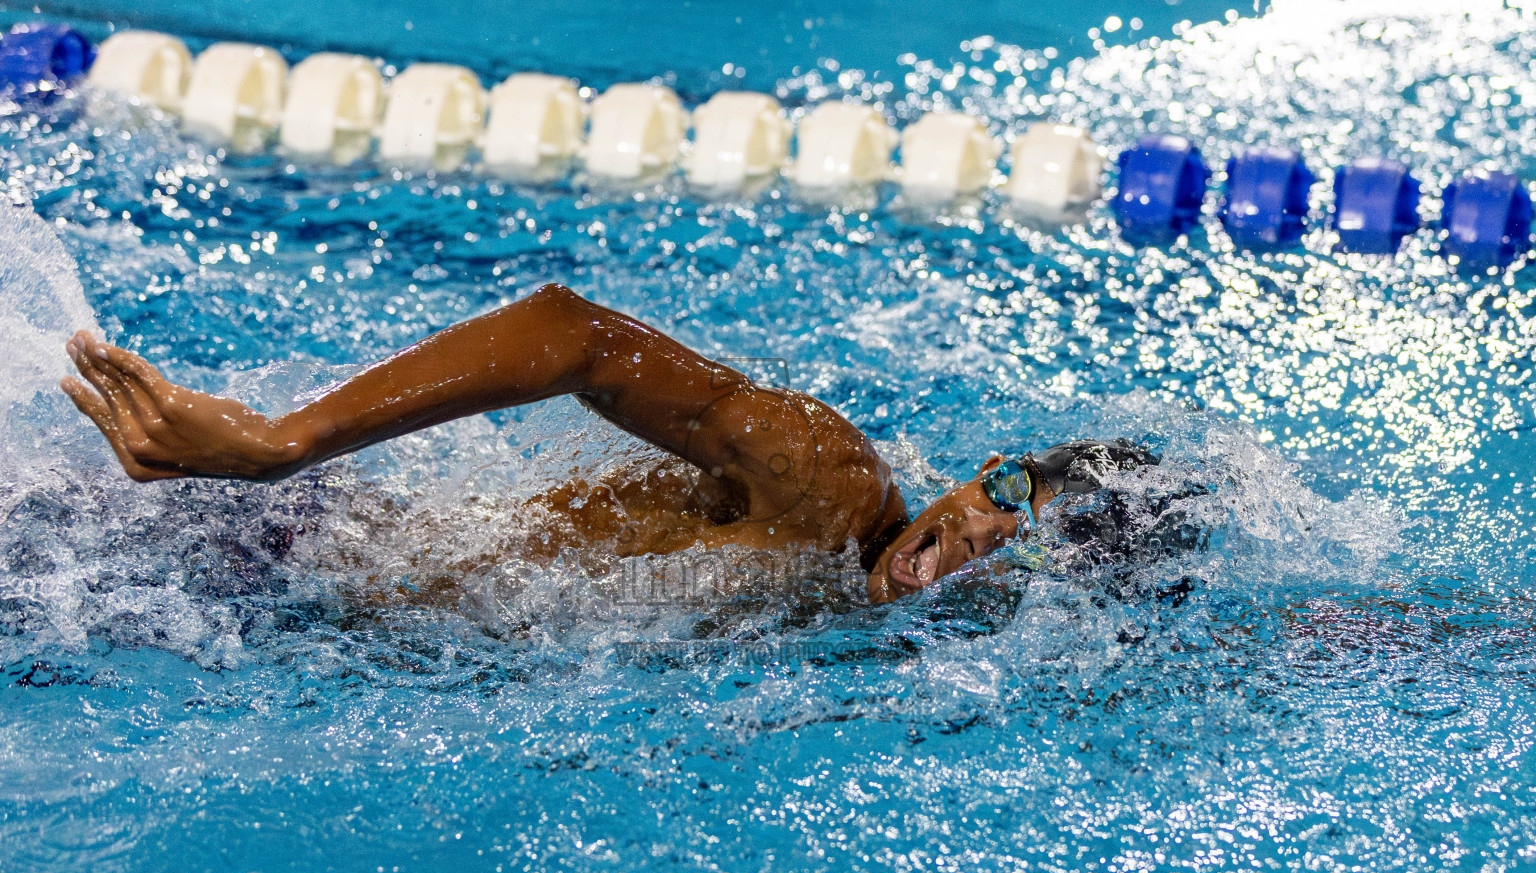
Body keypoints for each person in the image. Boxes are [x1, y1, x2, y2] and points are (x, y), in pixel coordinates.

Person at [59, 283, 1151, 604]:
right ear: (981, 465)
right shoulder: (825, 483)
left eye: (1021, 540)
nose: (984, 525)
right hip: (259, 565)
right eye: (1007, 483)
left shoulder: (892, 648)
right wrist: (285, 441)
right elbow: (573, 334)